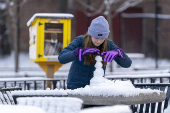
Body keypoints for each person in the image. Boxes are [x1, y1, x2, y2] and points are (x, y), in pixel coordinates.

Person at [58, 16, 132, 90]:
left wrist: (119, 54)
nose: (99, 41)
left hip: (96, 89)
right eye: (96, 38)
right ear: (91, 34)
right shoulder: (80, 40)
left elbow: (127, 64)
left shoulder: (108, 44)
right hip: (75, 88)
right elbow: (62, 58)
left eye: (102, 38)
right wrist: (79, 52)